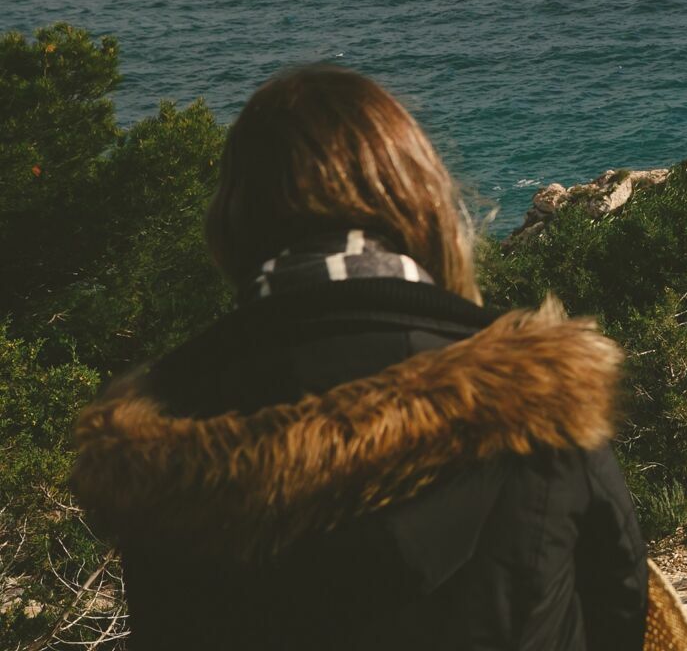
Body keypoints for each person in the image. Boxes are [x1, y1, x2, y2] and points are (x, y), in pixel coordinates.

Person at [68, 65, 651, 650]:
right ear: (418, 198)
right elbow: (621, 615)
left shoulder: (155, 432)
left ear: (234, 218)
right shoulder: (538, 393)